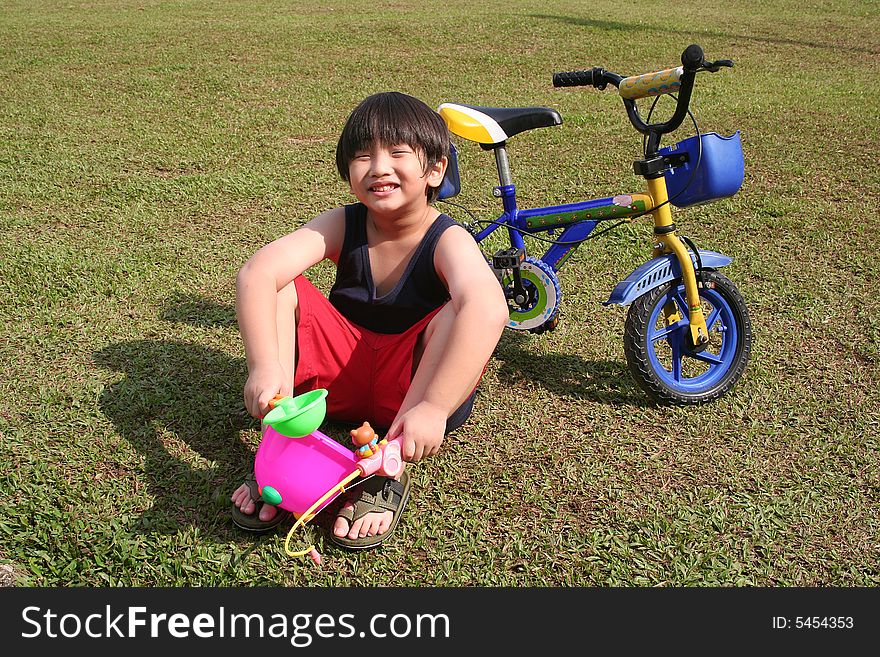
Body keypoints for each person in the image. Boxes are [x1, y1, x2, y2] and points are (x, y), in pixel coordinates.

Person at [230, 91, 509, 549]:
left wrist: (434, 408)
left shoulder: (448, 238)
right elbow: (258, 272)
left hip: (410, 395)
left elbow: (489, 306)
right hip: (336, 383)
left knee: (460, 308)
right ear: (348, 172)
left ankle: (388, 469)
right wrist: (266, 368)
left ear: (436, 169)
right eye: (363, 156)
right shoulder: (344, 222)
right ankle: (280, 451)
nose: (379, 167)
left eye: (398, 153)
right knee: (283, 281)